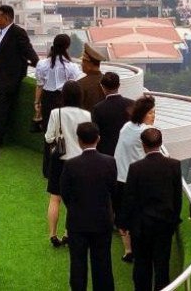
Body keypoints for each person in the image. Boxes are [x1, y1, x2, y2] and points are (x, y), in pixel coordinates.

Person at [119, 128, 183, 291]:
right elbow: (177, 197)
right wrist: (174, 220)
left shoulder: (136, 168)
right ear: (161, 143)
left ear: (143, 145)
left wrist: (123, 223)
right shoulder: (174, 165)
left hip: (141, 227)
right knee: (162, 266)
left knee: (142, 266)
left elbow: (129, 197)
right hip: (164, 225)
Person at [60, 122, 117, 291]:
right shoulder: (110, 162)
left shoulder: (71, 165)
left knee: (77, 264)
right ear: (98, 139)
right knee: (103, 263)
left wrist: (75, 208)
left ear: (78, 140)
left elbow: (65, 192)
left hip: (77, 222)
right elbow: (113, 189)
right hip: (102, 221)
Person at [0, 5, 38, 146]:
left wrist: (39, 65)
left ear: (6, 18)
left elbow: (28, 51)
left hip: (5, 78)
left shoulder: (17, 33)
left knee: (1, 109)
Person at [44, 80, 90, 248]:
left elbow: (48, 137)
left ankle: (52, 234)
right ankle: (68, 234)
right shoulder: (86, 115)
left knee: (55, 198)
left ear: (63, 95)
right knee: (74, 200)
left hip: (59, 159)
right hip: (79, 161)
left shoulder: (56, 113)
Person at [113, 94, 157, 263]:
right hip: (136, 180)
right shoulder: (146, 132)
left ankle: (128, 250)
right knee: (139, 216)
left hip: (120, 177)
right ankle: (139, 250)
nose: (153, 116)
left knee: (123, 216)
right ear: (142, 114)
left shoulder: (126, 127)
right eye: (150, 113)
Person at [33, 33, 82, 133]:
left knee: (48, 129)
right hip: (64, 99)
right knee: (63, 130)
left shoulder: (42, 64)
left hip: (47, 99)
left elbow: (40, 85)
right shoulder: (71, 67)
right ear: (67, 47)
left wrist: (37, 102)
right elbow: (74, 85)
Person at [91, 72, 133, 157]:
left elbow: (95, 133)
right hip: (127, 152)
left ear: (102, 87)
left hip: (106, 153)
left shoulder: (98, 108)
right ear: (119, 85)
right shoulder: (132, 104)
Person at [77, 44, 108, 112]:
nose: (81, 64)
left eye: (83, 61)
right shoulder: (108, 80)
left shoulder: (80, 84)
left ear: (89, 64)